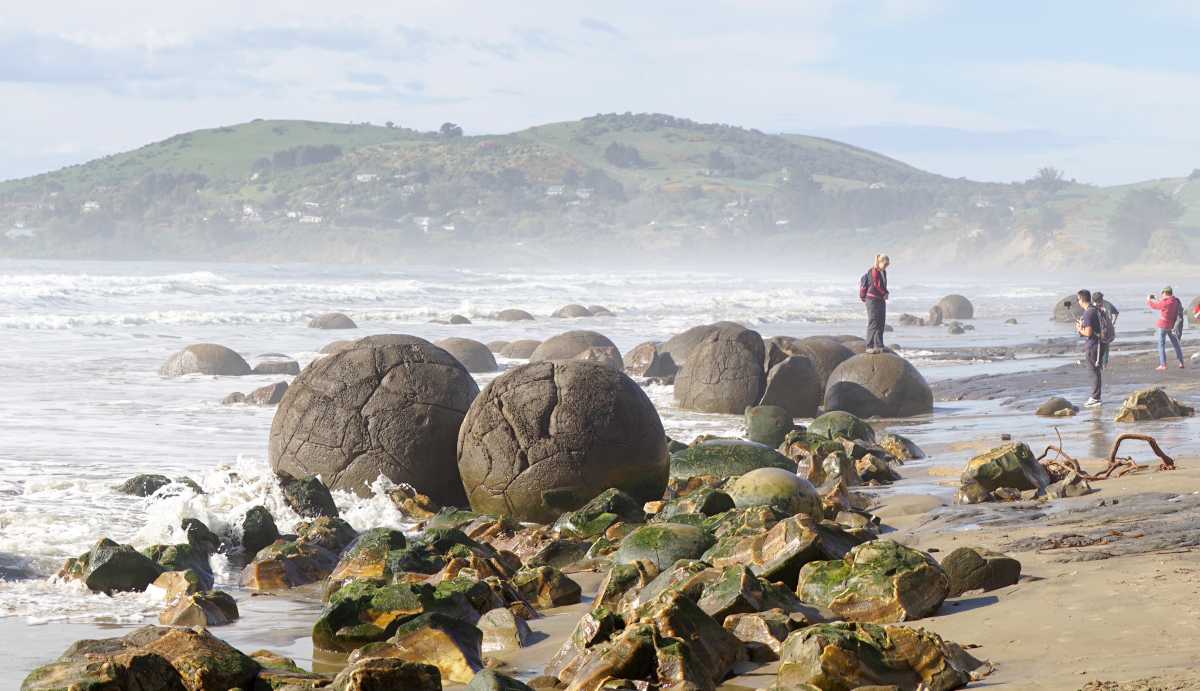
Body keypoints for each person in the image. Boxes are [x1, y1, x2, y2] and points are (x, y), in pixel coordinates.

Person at [1075, 289, 1103, 407]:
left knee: (1093, 371)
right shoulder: (1094, 309)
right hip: (1098, 344)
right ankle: (1096, 397)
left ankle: (1095, 398)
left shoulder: (1088, 312)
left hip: (1093, 346)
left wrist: (1079, 329)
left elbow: (1089, 332)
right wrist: (1082, 329)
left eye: (1078, 299)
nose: (1078, 302)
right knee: (1095, 371)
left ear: (1081, 299)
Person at [1148, 287, 1185, 371]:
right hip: (1172, 325)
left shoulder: (1166, 302)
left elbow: (1156, 306)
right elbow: (1162, 303)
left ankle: (1163, 364)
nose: (1162, 295)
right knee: (1176, 344)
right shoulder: (1176, 300)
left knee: (1161, 345)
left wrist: (1149, 300)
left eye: (1163, 293)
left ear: (1165, 293)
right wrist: (1156, 298)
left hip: (1163, 325)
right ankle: (1181, 362)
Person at [859, 254, 890, 353]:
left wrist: (886, 292)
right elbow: (876, 285)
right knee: (873, 322)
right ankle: (869, 346)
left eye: (887, 265)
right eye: (885, 264)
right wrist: (884, 293)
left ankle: (879, 345)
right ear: (879, 262)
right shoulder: (873, 271)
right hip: (872, 300)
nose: (886, 266)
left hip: (880, 299)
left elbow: (883, 285)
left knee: (881, 322)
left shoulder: (883, 272)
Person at [1092, 291, 1118, 368]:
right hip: (1106, 329)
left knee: (1100, 346)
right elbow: (1116, 313)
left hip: (1101, 329)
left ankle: (1100, 363)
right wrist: (1113, 323)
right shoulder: (1107, 304)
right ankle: (1104, 364)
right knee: (1105, 347)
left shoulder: (1092, 307)